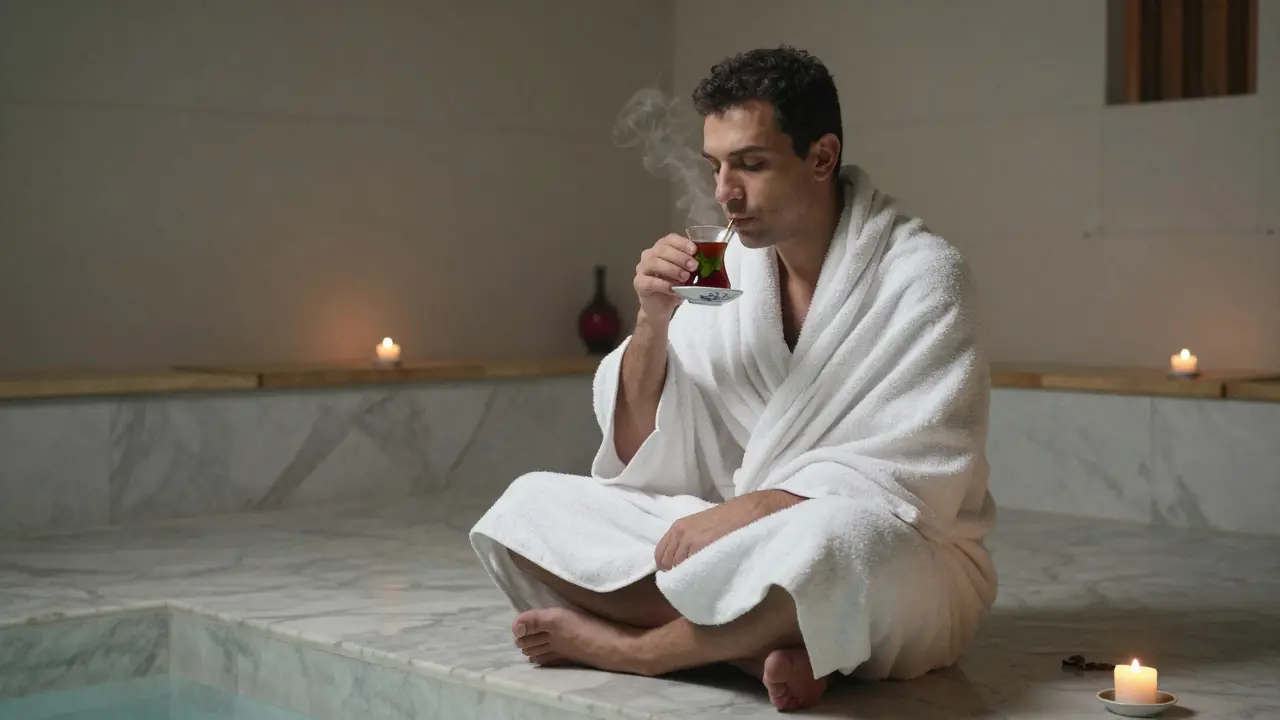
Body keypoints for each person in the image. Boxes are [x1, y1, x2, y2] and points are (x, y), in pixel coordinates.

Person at [470, 46, 998, 712]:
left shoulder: (922, 275)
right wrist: (653, 323)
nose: (725, 193)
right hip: (741, 542)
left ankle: (641, 650)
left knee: (834, 547)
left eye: (750, 164)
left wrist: (746, 513)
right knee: (526, 510)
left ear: (821, 157)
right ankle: (757, 650)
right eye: (715, 167)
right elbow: (643, 452)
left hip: (896, 556)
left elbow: (916, 479)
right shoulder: (729, 272)